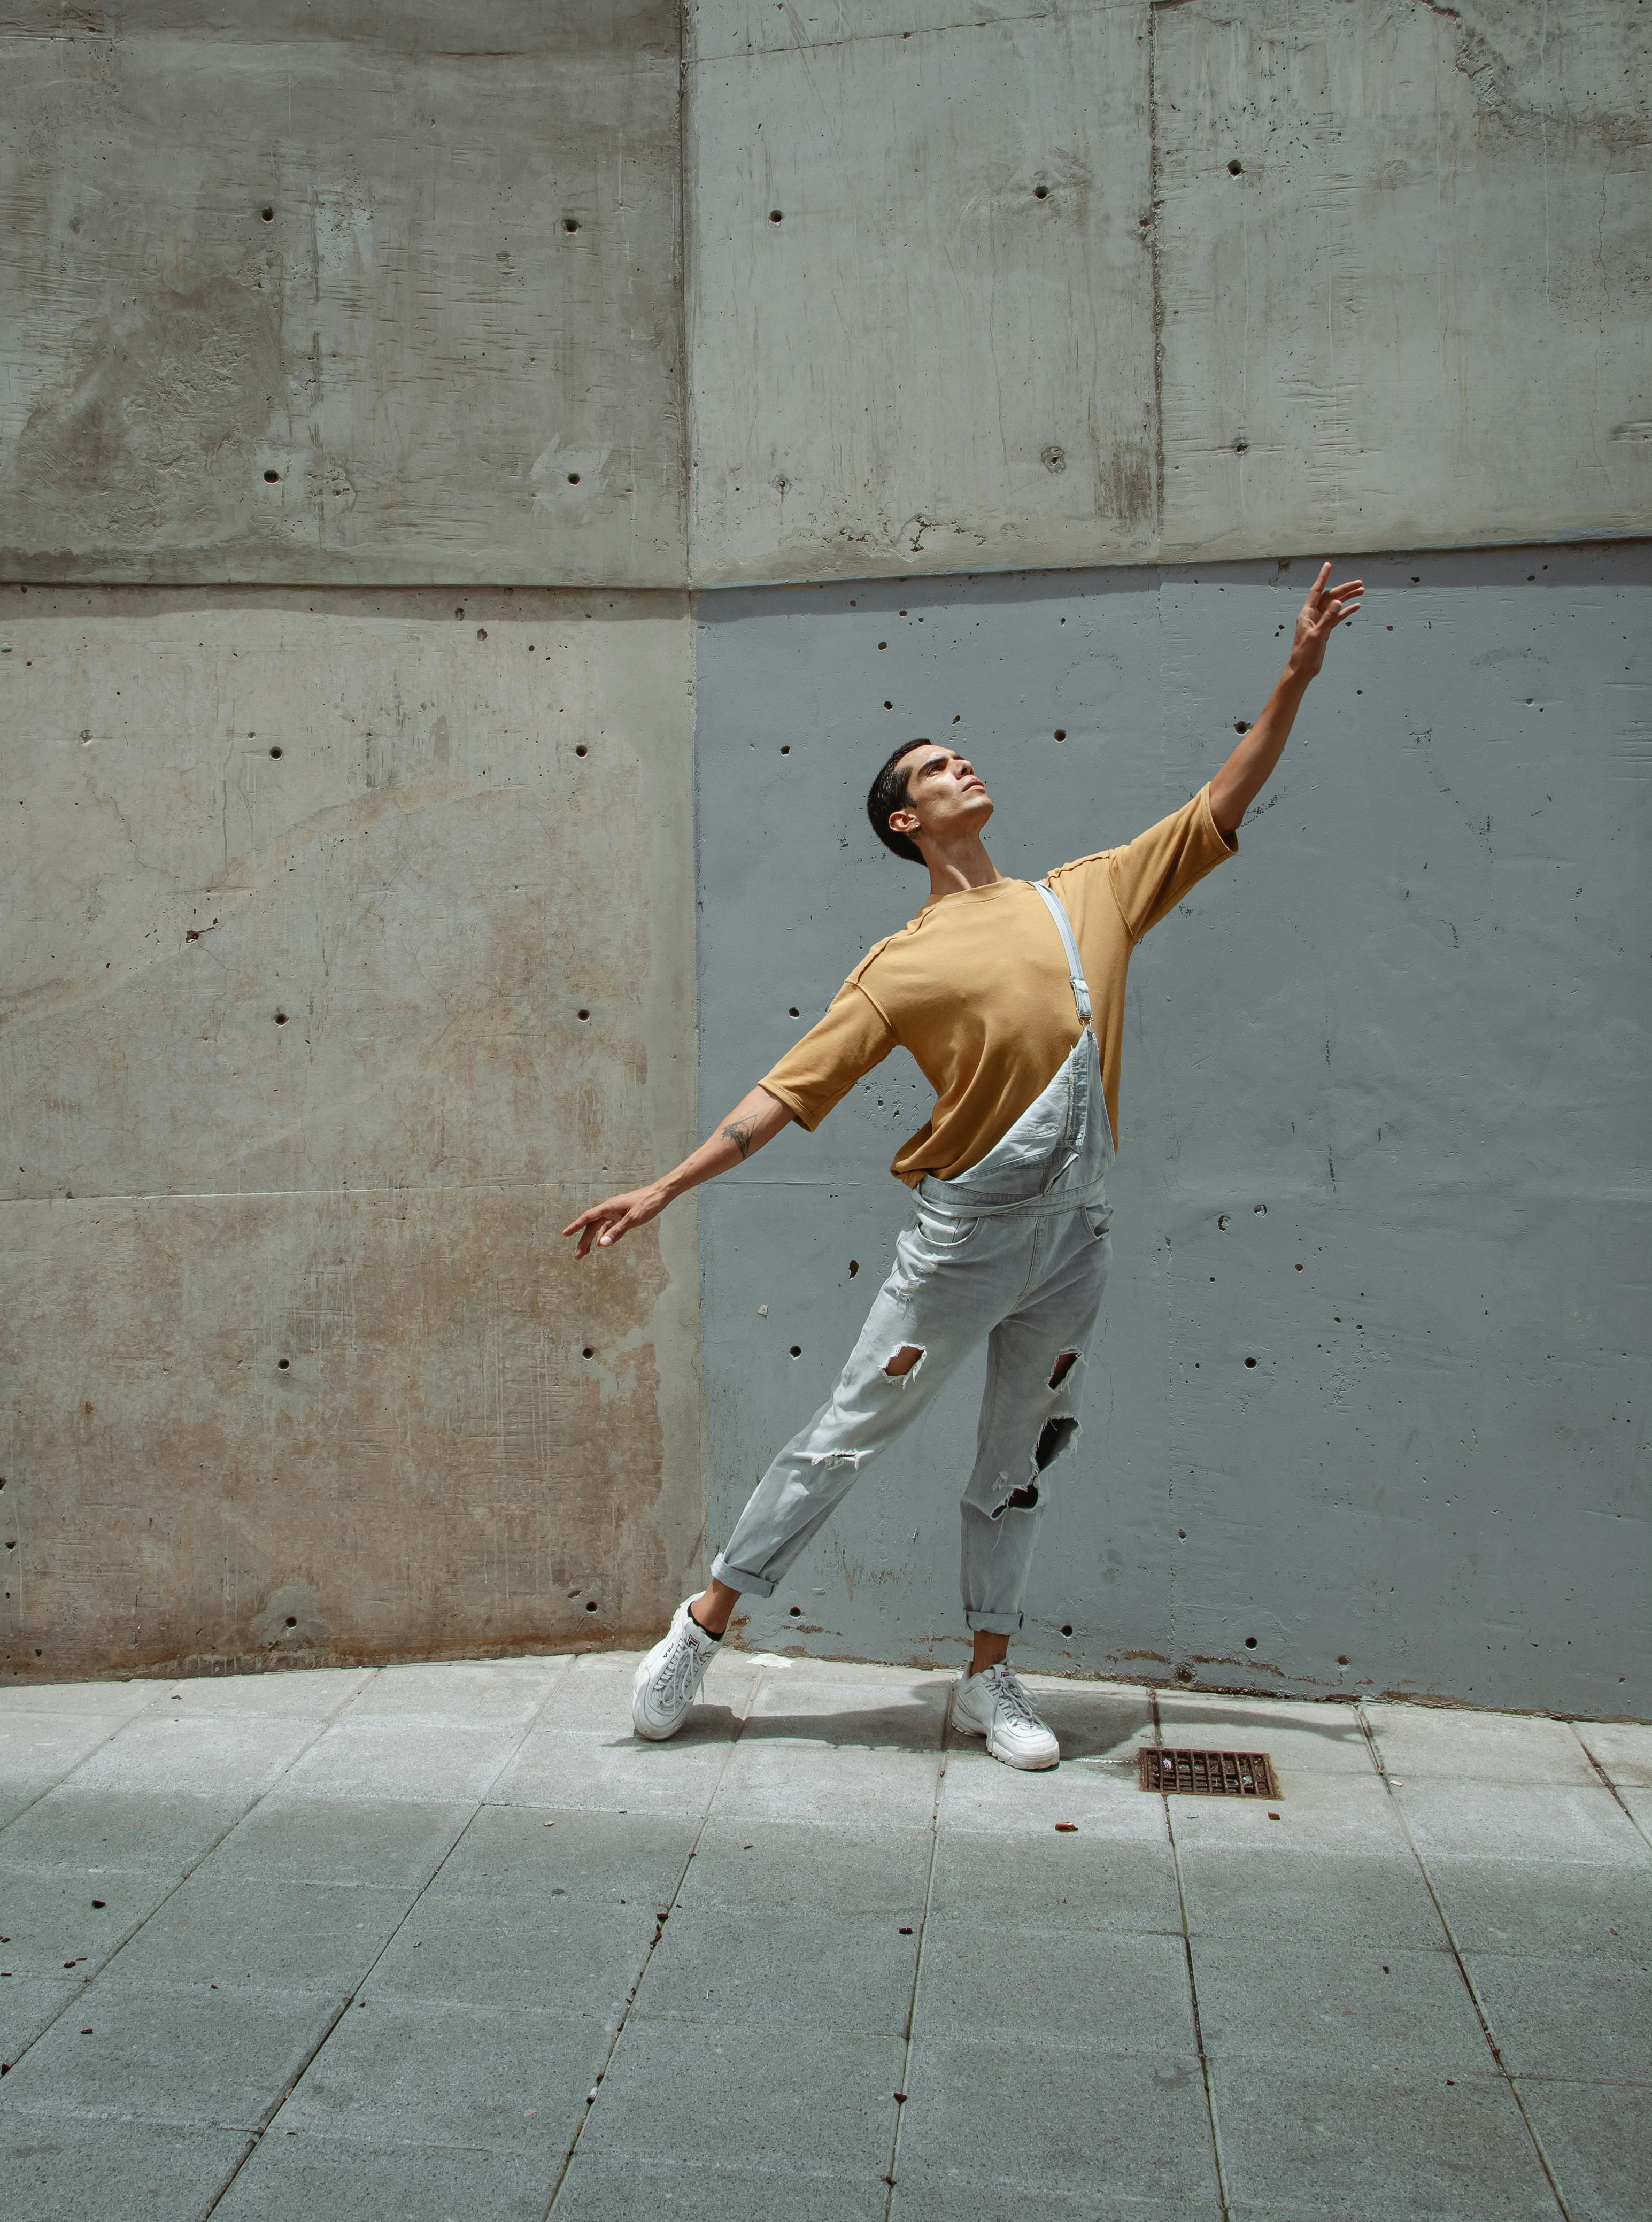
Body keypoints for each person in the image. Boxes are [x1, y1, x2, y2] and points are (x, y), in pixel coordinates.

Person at [565, 563, 1363, 1768]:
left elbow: (1220, 798)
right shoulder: (900, 961)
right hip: (964, 1240)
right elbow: (788, 1089)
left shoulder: (1085, 896)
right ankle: (707, 1620)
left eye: (961, 757)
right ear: (905, 821)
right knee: (842, 1435)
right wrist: (668, 1184)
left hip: (1072, 1239)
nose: (962, 769)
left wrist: (1295, 671)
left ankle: (992, 1676)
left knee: (1021, 1460)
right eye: (936, 768)